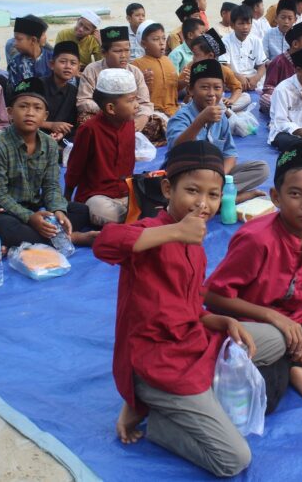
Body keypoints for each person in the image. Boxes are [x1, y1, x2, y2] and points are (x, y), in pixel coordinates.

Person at [93, 141, 288, 478]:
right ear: (168, 189)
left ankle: (189, 400)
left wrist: (222, 320)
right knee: (234, 460)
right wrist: (174, 231)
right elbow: (104, 243)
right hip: (159, 362)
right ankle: (156, 417)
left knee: (275, 340)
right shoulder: (155, 232)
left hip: (194, 341)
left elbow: (189, 307)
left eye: (213, 195)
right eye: (192, 191)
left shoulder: (194, 243)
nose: (203, 204)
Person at [204, 141, 302, 411]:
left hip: (300, 325)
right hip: (260, 329)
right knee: (264, 399)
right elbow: (211, 296)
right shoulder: (256, 239)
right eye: (295, 194)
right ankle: (295, 364)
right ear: (275, 197)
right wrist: (273, 317)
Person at [0, 77, 94, 249]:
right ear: (10, 112)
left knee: (81, 211)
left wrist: (58, 211)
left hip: (35, 206)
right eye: (23, 106)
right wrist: (30, 218)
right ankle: (71, 238)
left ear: (45, 116)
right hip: (5, 211)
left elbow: (51, 185)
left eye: (37, 108)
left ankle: (47, 233)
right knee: (9, 229)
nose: (30, 113)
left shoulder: (49, 144)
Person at [167, 58, 269, 202]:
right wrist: (200, 120)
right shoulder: (181, 117)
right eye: (204, 87)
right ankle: (223, 198)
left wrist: (220, 176)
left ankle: (213, 195)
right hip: (187, 176)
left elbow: (230, 154)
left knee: (261, 169)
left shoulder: (221, 117)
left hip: (215, 175)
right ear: (190, 90)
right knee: (184, 185)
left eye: (217, 88)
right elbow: (176, 149)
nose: (211, 93)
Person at [66, 68, 138, 226]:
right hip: (98, 195)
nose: (137, 105)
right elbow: (75, 165)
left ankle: (132, 214)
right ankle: (133, 216)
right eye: (131, 101)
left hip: (126, 191)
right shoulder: (89, 129)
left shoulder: (129, 123)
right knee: (101, 212)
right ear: (111, 108)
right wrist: (67, 199)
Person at [76, 26, 158, 141]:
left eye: (127, 50)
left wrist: (142, 117)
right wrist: (112, 111)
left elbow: (144, 102)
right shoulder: (92, 70)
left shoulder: (134, 71)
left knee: (156, 123)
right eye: (118, 51)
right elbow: (83, 101)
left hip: (129, 116)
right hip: (103, 116)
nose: (124, 55)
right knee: (85, 120)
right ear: (104, 53)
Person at [181, 31, 250, 112]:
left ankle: (224, 110)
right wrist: (185, 82)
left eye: (196, 55)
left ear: (210, 56)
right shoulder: (192, 67)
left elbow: (237, 88)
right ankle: (223, 111)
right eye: (193, 54)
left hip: (217, 101)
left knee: (246, 97)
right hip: (198, 101)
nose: (193, 58)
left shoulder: (224, 70)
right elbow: (181, 89)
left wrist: (231, 100)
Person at [261, 21, 302, 110]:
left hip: (300, 99)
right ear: (295, 44)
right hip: (282, 99)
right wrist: (286, 97)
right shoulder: (278, 62)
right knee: (266, 99)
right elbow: (268, 88)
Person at [131, 22, 179, 118]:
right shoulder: (136, 65)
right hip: (151, 112)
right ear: (144, 44)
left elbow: (175, 89)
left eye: (164, 38)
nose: (162, 43)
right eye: (156, 39)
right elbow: (131, 96)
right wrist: (143, 83)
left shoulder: (168, 60)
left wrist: (185, 80)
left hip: (174, 110)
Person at [39, 41, 80, 142]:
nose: (68, 66)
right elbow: (22, 118)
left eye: (73, 63)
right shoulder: (37, 85)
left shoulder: (75, 92)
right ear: (52, 64)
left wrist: (62, 132)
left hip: (61, 138)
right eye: (63, 62)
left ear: (78, 68)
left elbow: (72, 124)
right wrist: (51, 125)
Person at [223, 4, 268, 94]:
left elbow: (262, 65)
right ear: (232, 25)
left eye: (248, 23)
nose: (245, 27)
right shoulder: (225, 41)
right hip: (233, 78)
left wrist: (256, 78)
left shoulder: (256, 41)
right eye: (241, 23)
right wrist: (238, 77)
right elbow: (225, 67)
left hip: (252, 79)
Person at [6, 15, 53, 86]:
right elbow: (14, 89)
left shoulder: (53, 59)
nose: (15, 44)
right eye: (15, 39)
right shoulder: (15, 63)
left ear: (33, 40)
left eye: (19, 39)